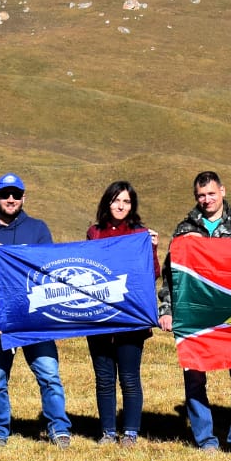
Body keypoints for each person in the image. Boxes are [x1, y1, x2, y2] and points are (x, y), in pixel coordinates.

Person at [0, 173, 72, 448]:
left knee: (49, 375)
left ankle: (59, 428)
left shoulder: (38, 230)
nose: (10, 199)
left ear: (24, 197)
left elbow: (50, 272)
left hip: (35, 320)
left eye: (15, 194)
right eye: (5, 194)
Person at [160, 170, 231, 455]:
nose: (206, 200)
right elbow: (171, 275)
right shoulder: (183, 229)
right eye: (201, 196)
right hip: (196, 314)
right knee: (194, 376)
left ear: (223, 192)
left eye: (211, 194)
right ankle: (206, 439)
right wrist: (167, 309)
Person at [85, 181, 160, 446]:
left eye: (126, 202)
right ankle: (107, 431)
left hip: (130, 318)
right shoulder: (94, 233)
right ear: (107, 202)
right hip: (99, 318)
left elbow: (153, 274)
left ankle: (130, 432)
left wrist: (151, 248)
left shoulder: (140, 233)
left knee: (129, 376)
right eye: (116, 200)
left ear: (132, 205)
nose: (121, 206)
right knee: (104, 377)